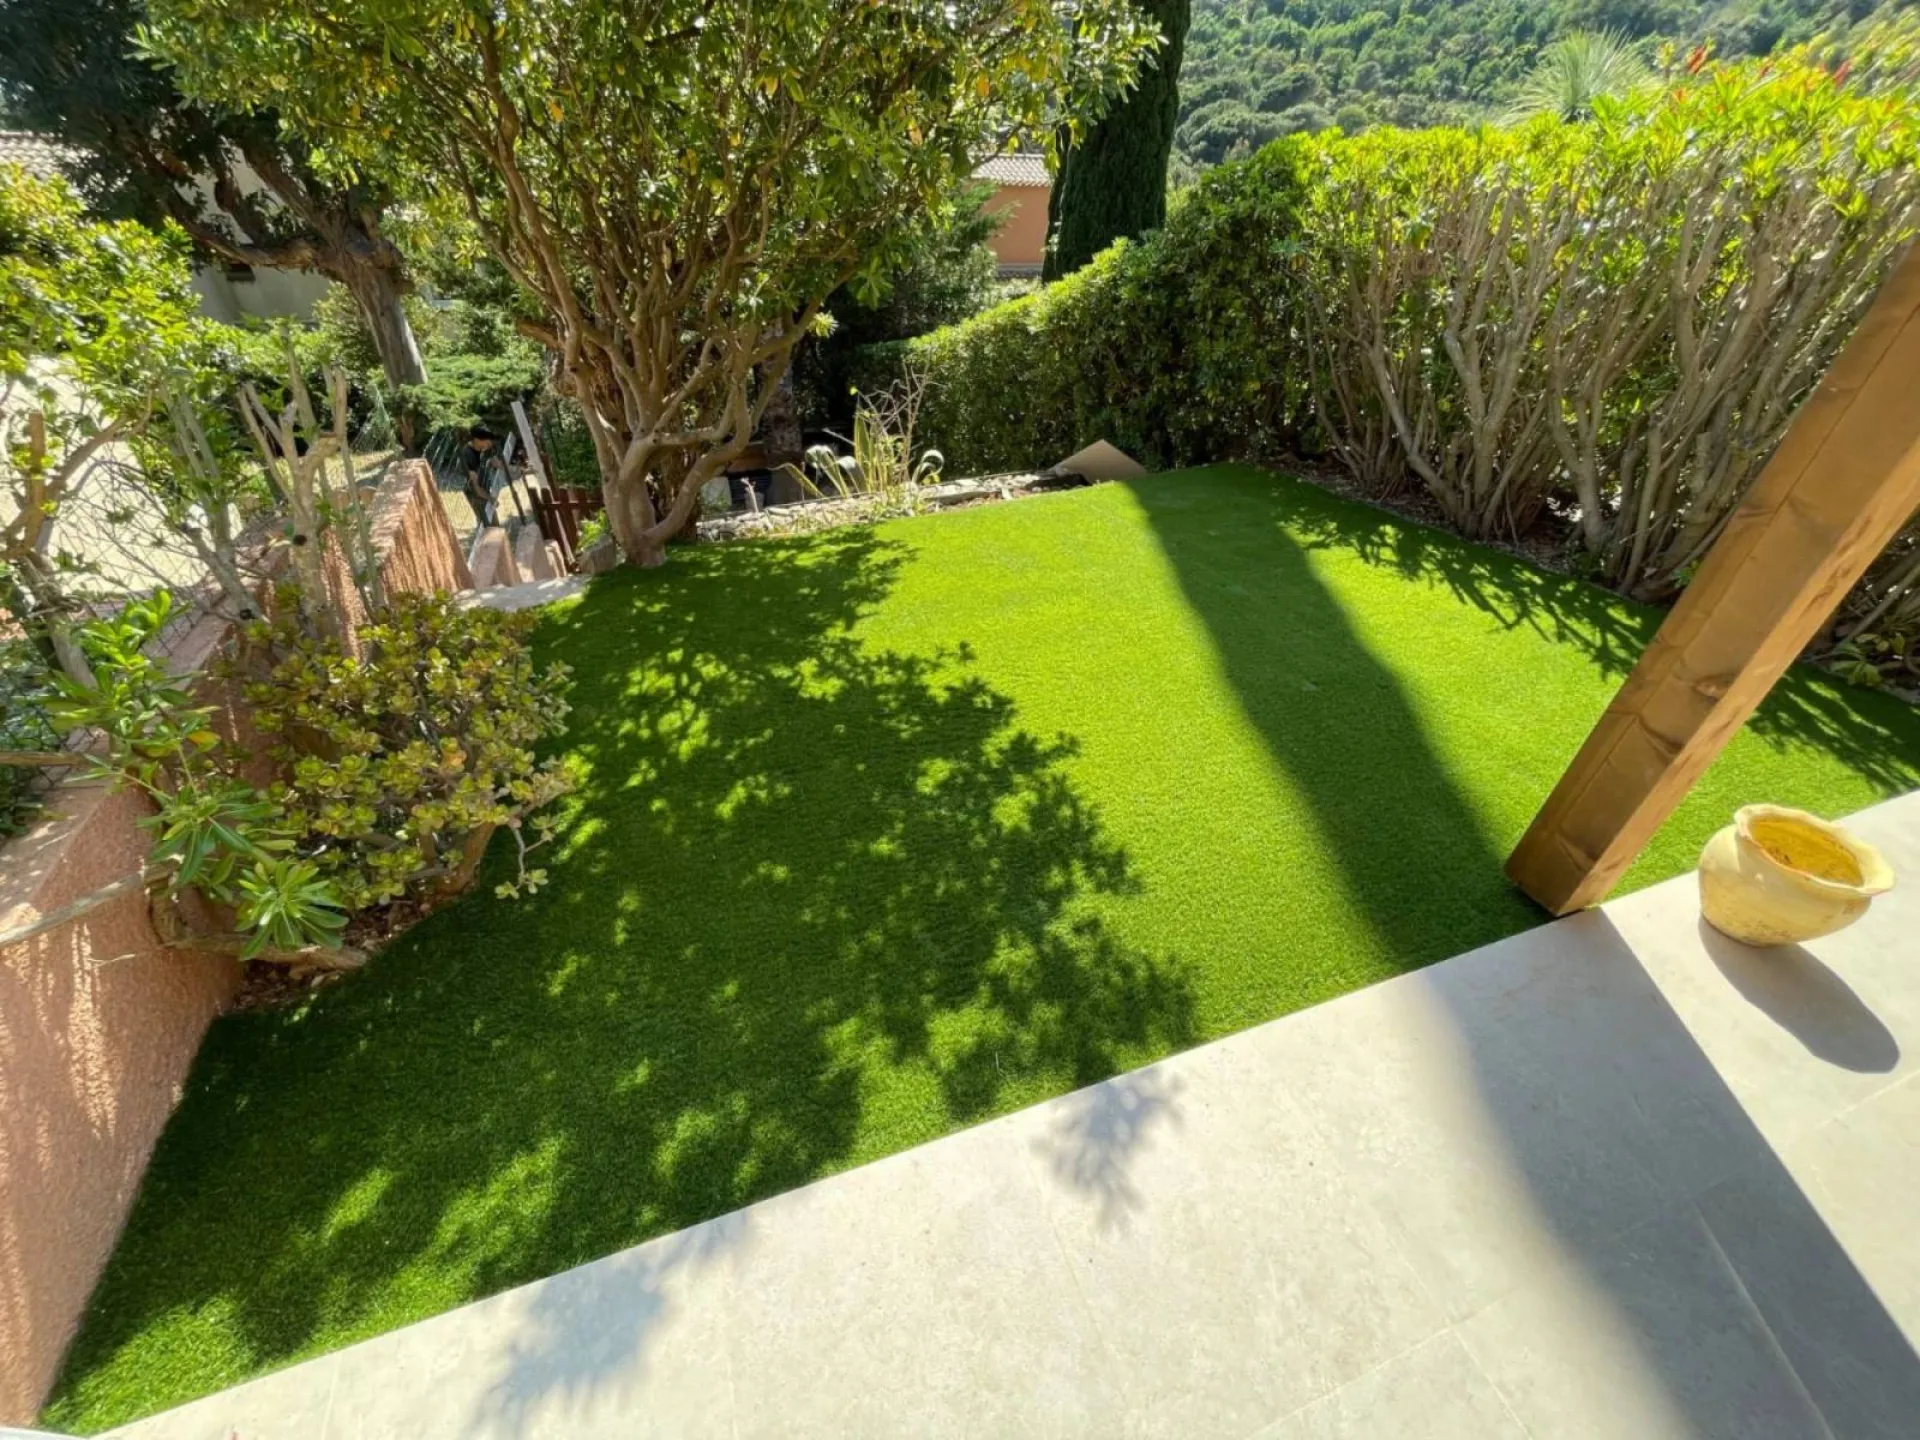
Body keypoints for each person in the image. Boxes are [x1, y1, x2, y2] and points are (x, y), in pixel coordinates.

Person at [460, 426, 501, 527]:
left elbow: (497, 463)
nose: (490, 444)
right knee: (489, 524)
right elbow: (475, 488)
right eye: (487, 442)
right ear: (477, 440)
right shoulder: (468, 455)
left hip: (484, 489)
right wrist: (491, 499)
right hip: (476, 494)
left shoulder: (484, 448)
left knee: (493, 522)